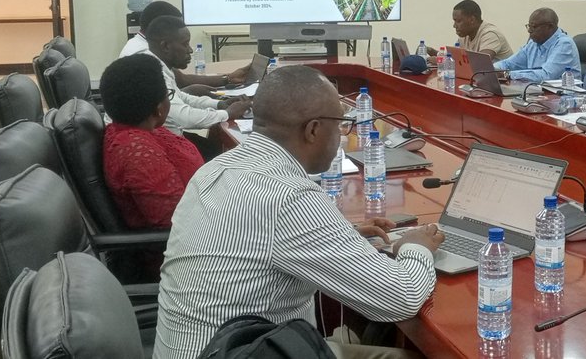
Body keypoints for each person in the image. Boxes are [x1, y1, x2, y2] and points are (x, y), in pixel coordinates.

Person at [154, 65, 444, 359]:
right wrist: (417, 247)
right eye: (341, 124)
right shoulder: (290, 197)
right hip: (249, 351)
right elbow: (400, 298)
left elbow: (255, 240)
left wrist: (341, 235)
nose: (342, 133)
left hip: (219, 348)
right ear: (314, 129)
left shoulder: (215, 168)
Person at [99, 54, 204, 229]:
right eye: (168, 95)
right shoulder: (138, 154)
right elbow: (178, 223)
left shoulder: (139, 131)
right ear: (159, 110)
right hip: (196, 245)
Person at [144, 15, 252, 160]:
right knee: (235, 155)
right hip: (166, 147)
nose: (190, 50)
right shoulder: (152, 73)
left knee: (216, 146)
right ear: (165, 46)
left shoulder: (159, 66)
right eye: (185, 44)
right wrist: (227, 113)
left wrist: (220, 104)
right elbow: (184, 118)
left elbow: (181, 97)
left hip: (170, 138)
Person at [120, 1, 249, 94]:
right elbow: (175, 111)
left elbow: (181, 79)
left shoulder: (144, 44)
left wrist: (227, 79)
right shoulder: (142, 54)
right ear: (160, 25)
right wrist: (222, 111)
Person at [493, 7, 579, 82]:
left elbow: (546, 75)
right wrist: (490, 70)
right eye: (529, 26)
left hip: (565, 97)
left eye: (533, 27)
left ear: (550, 26)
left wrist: (507, 75)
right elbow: (508, 64)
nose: (529, 31)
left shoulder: (564, 44)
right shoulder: (533, 43)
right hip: (539, 94)